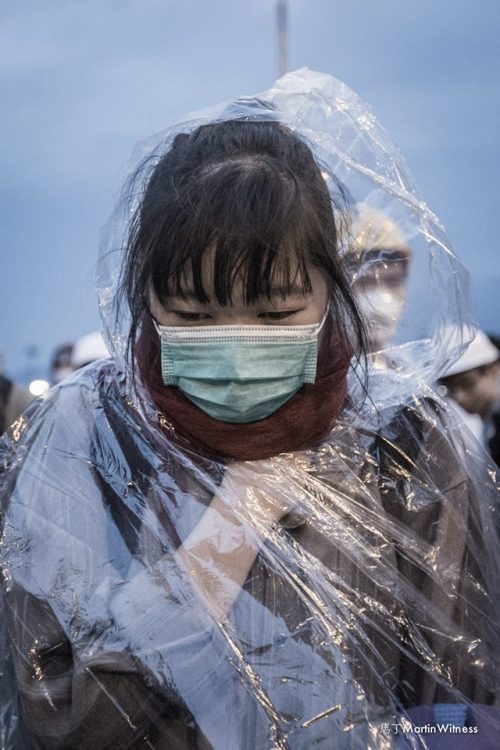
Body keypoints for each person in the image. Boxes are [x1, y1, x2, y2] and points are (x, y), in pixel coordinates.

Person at [1, 70, 500, 750]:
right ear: (142, 296)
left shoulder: (406, 437)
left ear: (333, 286)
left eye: (274, 312)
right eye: (195, 314)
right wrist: (221, 539)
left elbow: (463, 707)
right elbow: (58, 716)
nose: (236, 344)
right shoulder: (84, 433)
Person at [439, 329, 500, 467]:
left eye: (466, 383)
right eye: (450, 389)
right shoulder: (485, 429)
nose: (458, 397)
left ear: (494, 369)